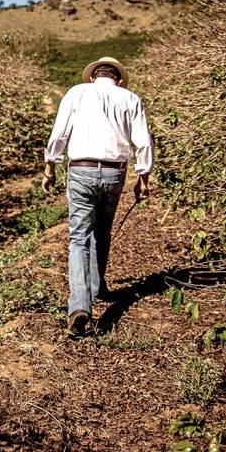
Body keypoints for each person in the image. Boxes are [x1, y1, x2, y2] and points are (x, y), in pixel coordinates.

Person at [41, 56, 153, 336]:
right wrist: (143, 178)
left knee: (79, 238)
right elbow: (143, 140)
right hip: (115, 173)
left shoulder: (77, 93)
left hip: (81, 170)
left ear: (93, 76)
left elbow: (59, 133)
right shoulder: (130, 98)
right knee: (102, 232)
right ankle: (98, 287)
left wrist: (49, 167)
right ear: (117, 78)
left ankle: (80, 305)